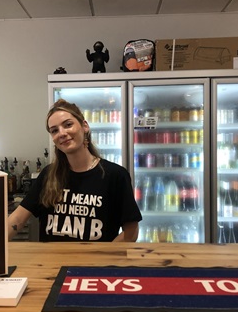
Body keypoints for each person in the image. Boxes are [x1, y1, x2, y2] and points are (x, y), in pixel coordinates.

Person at [8, 99, 142, 242]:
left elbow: (131, 231)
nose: (62, 133)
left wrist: (104, 260)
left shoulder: (115, 175)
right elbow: (17, 219)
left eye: (68, 125)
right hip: (52, 263)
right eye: (54, 130)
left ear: (85, 126)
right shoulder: (48, 175)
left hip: (94, 263)